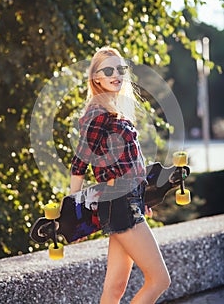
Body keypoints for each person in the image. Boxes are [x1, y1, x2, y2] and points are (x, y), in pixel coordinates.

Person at [70, 46, 171, 304]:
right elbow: (79, 162)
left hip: (127, 201)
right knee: (160, 280)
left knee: (114, 288)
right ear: (97, 78)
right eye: (108, 70)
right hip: (120, 203)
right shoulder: (96, 113)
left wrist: (142, 198)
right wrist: (73, 207)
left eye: (120, 69)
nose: (116, 74)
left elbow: (131, 165)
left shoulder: (114, 109)